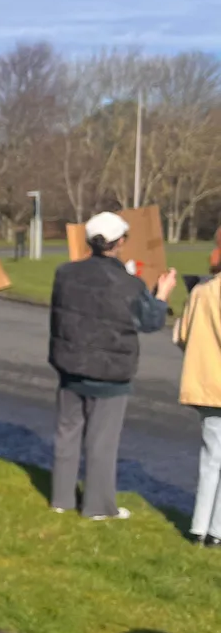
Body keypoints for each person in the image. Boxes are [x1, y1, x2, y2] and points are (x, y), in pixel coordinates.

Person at [49, 212, 178, 521]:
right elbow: (150, 322)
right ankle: (97, 507)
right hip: (110, 372)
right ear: (120, 242)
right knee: (101, 442)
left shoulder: (65, 273)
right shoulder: (128, 283)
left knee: (67, 434)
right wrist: (161, 295)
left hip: (70, 365)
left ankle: (61, 498)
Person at [176, 273, 221, 546]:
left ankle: (199, 527)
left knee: (211, 458)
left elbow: (183, 335)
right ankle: (216, 531)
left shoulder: (201, 291)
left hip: (206, 383)